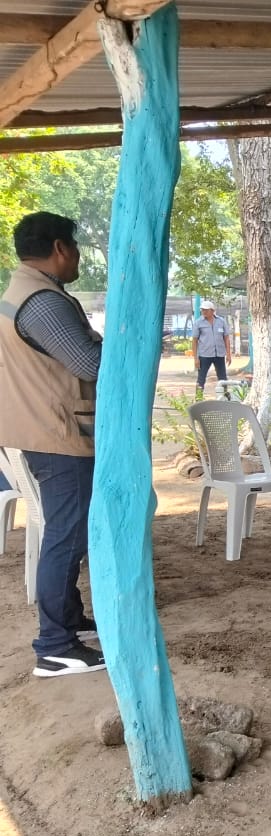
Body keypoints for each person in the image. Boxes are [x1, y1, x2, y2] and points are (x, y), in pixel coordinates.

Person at [0, 212, 105, 677]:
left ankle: (68, 619)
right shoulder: (42, 301)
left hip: (44, 428)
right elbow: (89, 363)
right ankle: (55, 645)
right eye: (77, 249)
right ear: (60, 248)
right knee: (66, 536)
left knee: (66, 532)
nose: (78, 257)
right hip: (58, 434)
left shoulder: (23, 292)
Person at [193, 300, 232, 394]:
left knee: (222, 377)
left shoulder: (221, 321)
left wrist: (228, 354)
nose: (204, 312)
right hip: (204, 355)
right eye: (202, 310)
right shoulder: (198, 323)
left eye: (206, 310)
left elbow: (226, 338)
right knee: (201, 378)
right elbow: (194, 341)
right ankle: (198, 398)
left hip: (219, 355)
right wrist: (196, 358)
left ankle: (225, 397)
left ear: (212, 311)